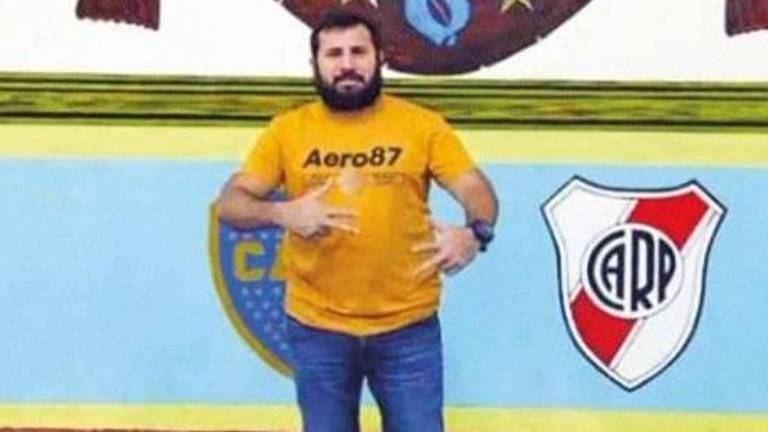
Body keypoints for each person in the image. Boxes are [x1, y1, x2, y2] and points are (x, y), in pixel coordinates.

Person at [216, 9, 498, 432]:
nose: (347, 64)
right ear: (315, 64)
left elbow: (476, 188)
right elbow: (230, 204)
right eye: (334, 54)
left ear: (380, 57)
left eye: (358, 52)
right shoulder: (287, 131)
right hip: (318, 330)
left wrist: (474, 233)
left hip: (408, 328)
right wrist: (281, 212)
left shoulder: (422, 126)